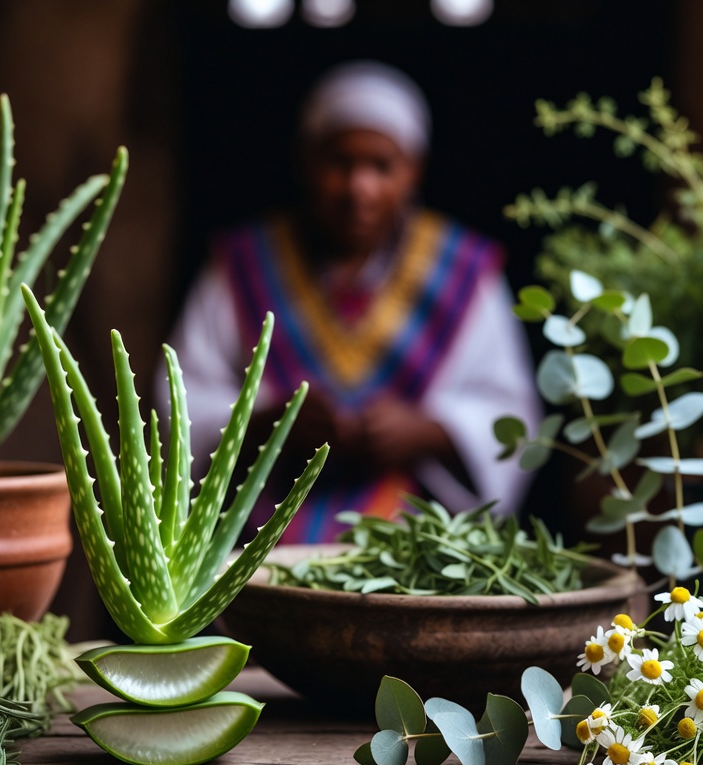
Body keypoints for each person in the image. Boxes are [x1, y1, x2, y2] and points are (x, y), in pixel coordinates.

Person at [161, 61, 540, 542]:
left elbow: (512, 416)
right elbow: (179, 405)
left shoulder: (463, 272)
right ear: (307, 162)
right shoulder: (242, 266)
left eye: (381, 166)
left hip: (418, 543)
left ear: (413, 172)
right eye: (340, 163)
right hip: (258, 538)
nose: (359, 188)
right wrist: (267, 425)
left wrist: (430, 431)